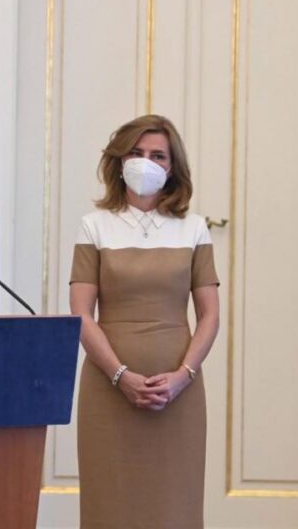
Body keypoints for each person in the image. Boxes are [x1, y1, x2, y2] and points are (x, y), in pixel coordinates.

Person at [69, 114, 220, 529]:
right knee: (109, 506)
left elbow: (210, 316)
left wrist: (182, 377)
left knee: (175, 507)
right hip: (108, 386)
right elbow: (80, 313)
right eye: (136, 153)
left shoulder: (193, 228)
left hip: (179, 391)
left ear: (172, 168)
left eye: (158, 156)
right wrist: (121, 376)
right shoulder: (94, 225)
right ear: (119, 161)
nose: (145, 162)